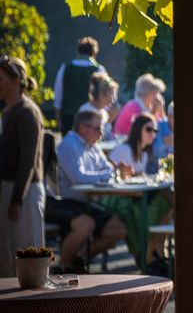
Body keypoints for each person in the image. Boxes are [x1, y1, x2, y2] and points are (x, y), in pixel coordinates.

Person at [47, 110, 128, 272]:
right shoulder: (69, 145)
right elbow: (80, 178)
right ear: (83, 128)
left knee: (120, 228)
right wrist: (106, 175)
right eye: (98, 129)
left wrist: (106, 173)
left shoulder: (92, 146)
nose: (101, 134)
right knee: (86, 224)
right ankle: (64, 266)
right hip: (60, 202)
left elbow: (109, 168)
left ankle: (79, 258)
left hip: (82, 202)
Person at [104, 113, 171, 271]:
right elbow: (111, 176)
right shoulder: (124, 149)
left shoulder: (145, 153)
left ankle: (155, 252)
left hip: (135, 195)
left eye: (155, 130)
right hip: (117, 199)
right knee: (161, 204)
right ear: (137, 130)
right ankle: (148, 254)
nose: (152, 134)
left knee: (165, 204)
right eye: (148, 129)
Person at [0, 56, 46, 277]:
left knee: (29, 259)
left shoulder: (27, 112)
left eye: (0, 79)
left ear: (16, 80)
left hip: (24, 192)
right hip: (8, 188)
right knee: (7, 258)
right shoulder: (8, 111)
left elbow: (27, 161)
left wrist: (17, 198)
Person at [54, 37, 108, 134]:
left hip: (68, 117)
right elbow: (105, 96)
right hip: (91, 119)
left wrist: (58, 117)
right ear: (94, 53)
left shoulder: (65, 67)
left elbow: (58, 94)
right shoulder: (99, 70)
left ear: (78, 51)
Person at [78, 72, 119, 141]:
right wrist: (109, 121)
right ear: (102, 95)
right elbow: (94, 138)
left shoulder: (104, 112)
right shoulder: (86, 111)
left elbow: (108, 138)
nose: (113, 99)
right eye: (112, 94)